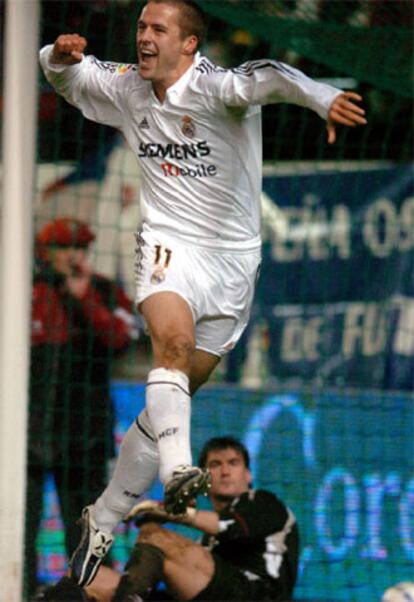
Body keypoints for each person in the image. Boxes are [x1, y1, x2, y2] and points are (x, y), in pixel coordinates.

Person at [38, 0, 367, 587]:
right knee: (172, 345)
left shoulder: (218, 88)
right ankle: (179, 468)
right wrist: (57, 58)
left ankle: (105, 514)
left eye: (158, 29)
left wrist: (322, 98)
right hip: (167, 247)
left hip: (235, 264)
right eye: (141, 26)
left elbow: (270, 76)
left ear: (189, 45)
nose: (144, 37)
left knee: (175, 390)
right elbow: (68, 79)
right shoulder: (127, 86)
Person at [34, 436, 299, 602]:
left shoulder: (265, 503)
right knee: (84, 578)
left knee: (159, 539)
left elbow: (229, 526)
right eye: (216, 465)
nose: (226, 471)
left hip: (255, 595)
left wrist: (172, 513)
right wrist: (153, 521)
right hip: (212, 593)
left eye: (234, 463)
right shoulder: (204, 542)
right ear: (203, 478)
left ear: (248, 475)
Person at [27, 217, 138, 596]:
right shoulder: (24, 292)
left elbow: (122, 338)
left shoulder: (105, 292)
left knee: (89, 536)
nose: (74, 255)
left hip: (84, 438)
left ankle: (95, 596)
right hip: (26, 437)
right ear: (46, 253)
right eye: (64, 248)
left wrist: (83, 298)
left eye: (80, 247)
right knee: (18, 532)